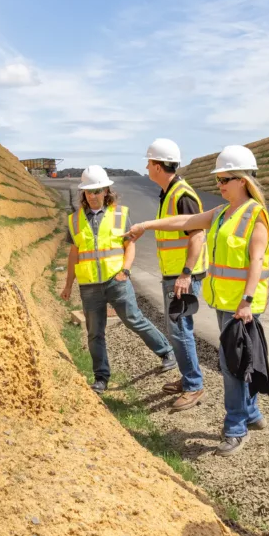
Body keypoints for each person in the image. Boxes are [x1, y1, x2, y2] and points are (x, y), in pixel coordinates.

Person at [127, 145, 269, 457]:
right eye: (218, 180)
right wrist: (146, 226)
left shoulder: (255, 216)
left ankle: (235, 427)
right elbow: (183, 222)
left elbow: (256, 261)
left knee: (231, 366)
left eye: (224, 180)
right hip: (223, 301)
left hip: (242, 307)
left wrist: (246, 301)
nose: (218, 186)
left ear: (243, 180)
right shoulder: (221, 214)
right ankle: (252, 414)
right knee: (239, 360)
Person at [60, 165, 175, 393]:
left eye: (98, 191)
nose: (94, 196)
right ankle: (101, 378)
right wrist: (68, 284)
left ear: (106, 191)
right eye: (89, 191)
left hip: (117, 280)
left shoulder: (120, 214)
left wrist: (126, 271)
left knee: (134, 319)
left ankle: (166, 352)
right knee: (95, 332)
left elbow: (129, 245)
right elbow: (74, 253)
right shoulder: (74, 220)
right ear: (84, 193)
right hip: (89, 286)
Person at [144, 138, 209, 410]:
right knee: (178, 329)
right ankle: (188, 378)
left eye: (149, 162)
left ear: (158, 166)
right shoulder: (169, 192)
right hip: (175, 274)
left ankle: (194, 385)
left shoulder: (181, 195)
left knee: (180, 330)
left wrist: (185, 273)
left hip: (183, 276)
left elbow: (197, 235)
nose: (147, 167)